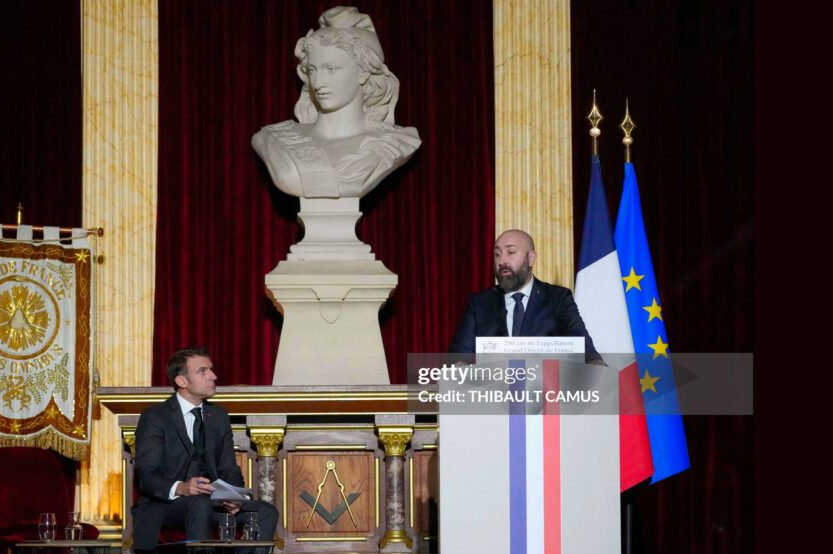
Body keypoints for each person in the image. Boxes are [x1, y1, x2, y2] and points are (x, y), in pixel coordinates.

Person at [132, 347, 278, 554]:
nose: (213, 376)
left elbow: (229, 469)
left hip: (210, 502)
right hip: (166, 505)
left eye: (211, 370)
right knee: (198, 504)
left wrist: (233, 496)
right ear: (182, 380)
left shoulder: (218, 416)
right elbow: (147, 475)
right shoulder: (155, 417)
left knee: (266, 512)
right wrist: (182, 487)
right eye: (203, 371)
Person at [252, 6, 420, 199]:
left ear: (363, 72)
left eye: (331, 69)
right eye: (312, 70)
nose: (317, 83)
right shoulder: (272, 139)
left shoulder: (396, 143)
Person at [448, 229, 604, 364]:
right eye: (497, 254)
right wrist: (461, 370)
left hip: (546, 394)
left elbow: (585, 350)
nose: (502, 261)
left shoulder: (558, 298)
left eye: (511, 252)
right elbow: (459, 356)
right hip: (493, 393)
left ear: (531, 258)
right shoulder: (479, 304)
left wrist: (598, 368)